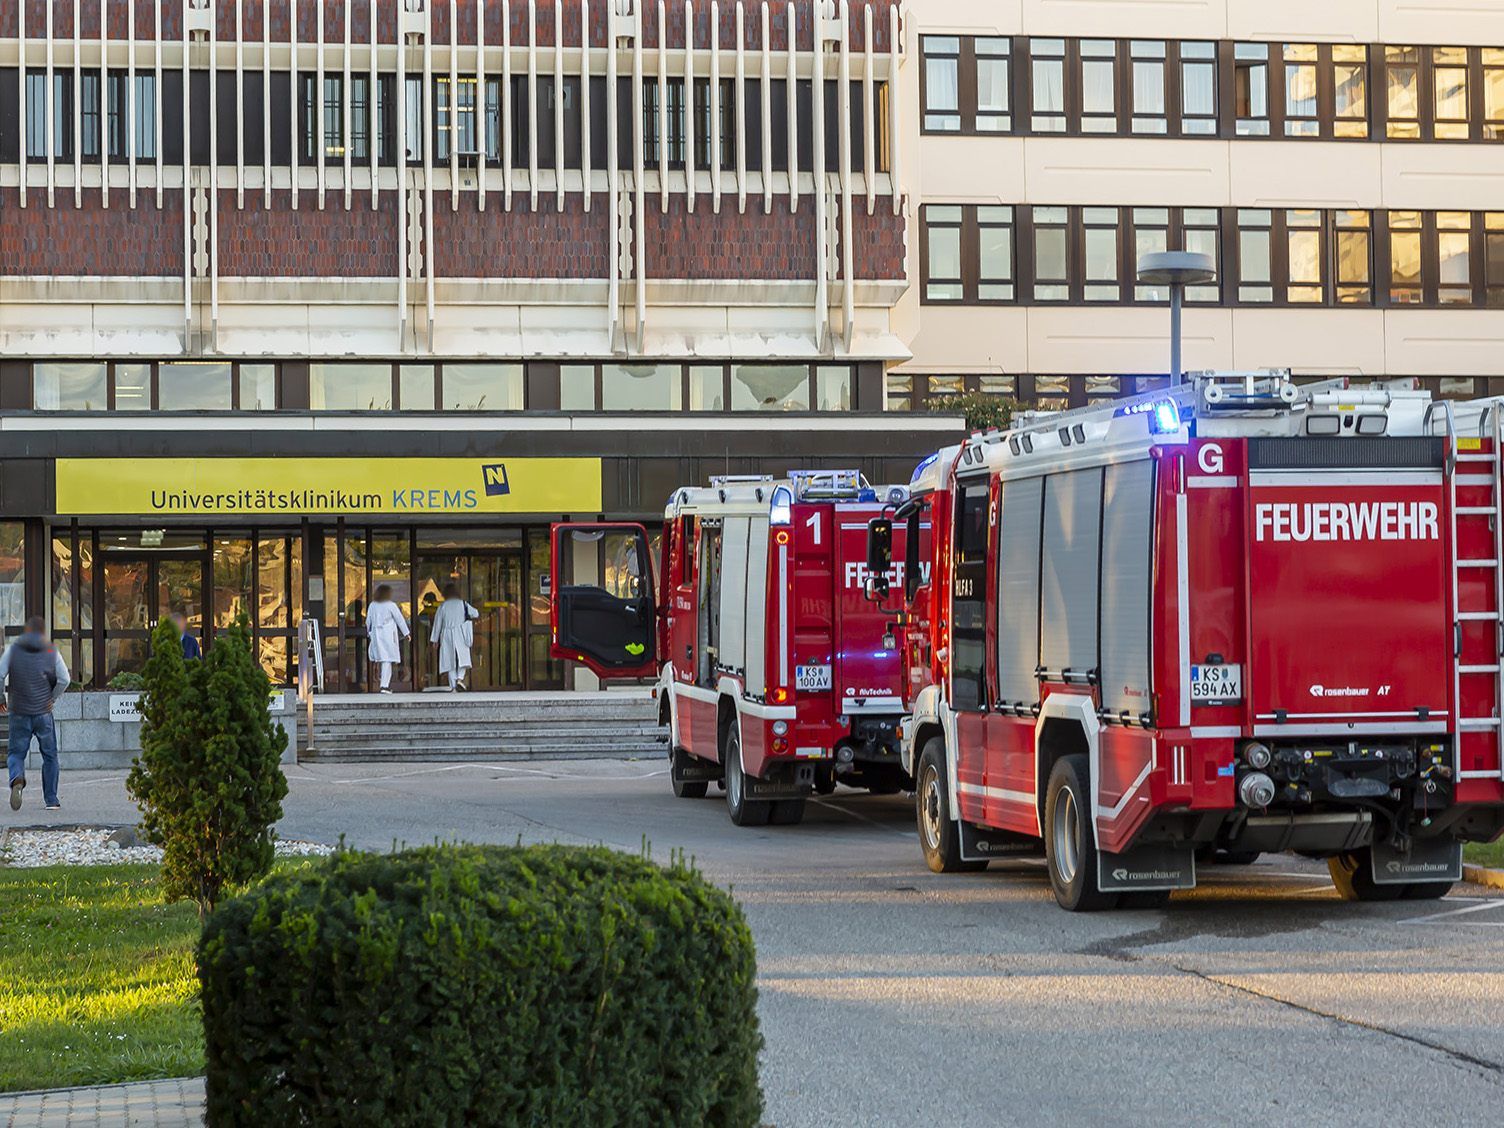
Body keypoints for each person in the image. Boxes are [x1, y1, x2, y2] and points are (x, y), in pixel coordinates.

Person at [2, 616, 71, 812]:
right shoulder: (50, 650)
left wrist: (1, 698)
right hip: (43, 712)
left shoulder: (13, 650)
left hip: (19, 711)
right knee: (50, 756)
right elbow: (64, 679)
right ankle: (52, 800)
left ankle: (17, 778)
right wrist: (51, 697)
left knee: (16, 753)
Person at [431, 583, 480, 691]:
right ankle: (460, 679)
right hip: (461, 632)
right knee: (463, 657)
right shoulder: (463, 604)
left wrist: (435, 639)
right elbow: (476, 613)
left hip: (446, 633)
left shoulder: (443, 606)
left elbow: (437, 623)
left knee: (449, 660)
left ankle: (453, 686)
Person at [364, 585, 410, 695]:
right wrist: (406, 633)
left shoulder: (372, 605)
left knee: (383, 660)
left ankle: (384, 684)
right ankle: (384, 685)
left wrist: (369, 633)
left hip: (376, 635)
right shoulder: (391, 605)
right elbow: (400, 620)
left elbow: (368, 621)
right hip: (388, 636)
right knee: (387, 660)